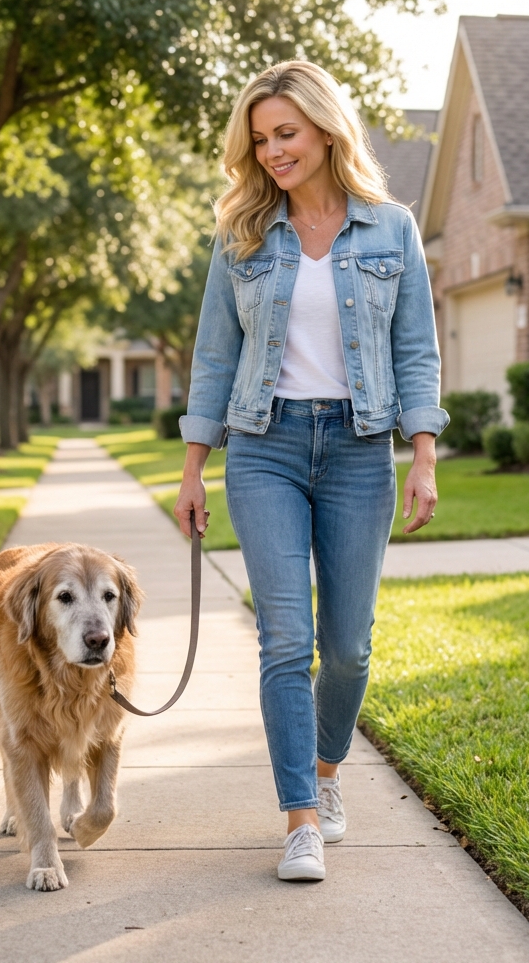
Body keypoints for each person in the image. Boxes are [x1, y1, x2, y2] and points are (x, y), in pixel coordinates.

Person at [173, 61, 448, 882]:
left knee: (350, 648)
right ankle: (298, 818)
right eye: (259, 140)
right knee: (285, 638)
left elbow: (416, 352)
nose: (271, 152)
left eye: (285, 133)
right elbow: (214, 358)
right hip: (266, 448)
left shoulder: (392, 229)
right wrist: (192, 471)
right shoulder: (242, 234)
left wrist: (423, 454)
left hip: (361, 450)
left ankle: (327, 775)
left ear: (327, 129)